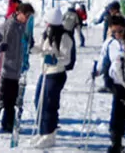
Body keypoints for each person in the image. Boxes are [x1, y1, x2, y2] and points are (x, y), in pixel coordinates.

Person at [0, 2, 36, 133]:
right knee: (0, 98)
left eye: (30, 16)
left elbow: (27, 44)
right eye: (26, 15)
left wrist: (30, 44)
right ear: (19, 13)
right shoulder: (8, 26)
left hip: (17, 71)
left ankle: (8, 124)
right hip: (5, 69)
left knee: (12, 101)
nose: (27, 18)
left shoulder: (26, 28)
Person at [31, 8, 74, 148]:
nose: (45, 24)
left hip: (56, 74)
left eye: (47, 22)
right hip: (45, 72)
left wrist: (55, 60)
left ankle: (49, 134)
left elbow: (66, 58)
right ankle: (42, 130)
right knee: (38, 101)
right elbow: (41, 48)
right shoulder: (46, 34)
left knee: (49, 103)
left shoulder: (64, 37)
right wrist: (31, 47)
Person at [93, 15, 125, 153]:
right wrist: (98, 70)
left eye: (120, 31)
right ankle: (116, 141)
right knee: (117, 113)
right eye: (114, 31)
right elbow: (103, 58)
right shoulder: (110, 43)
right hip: (117, 83)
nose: (117, 34)